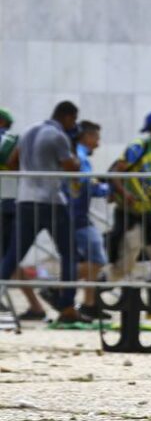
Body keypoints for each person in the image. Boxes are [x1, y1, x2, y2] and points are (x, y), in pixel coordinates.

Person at [0, 101, 82, 324]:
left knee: (12, 255)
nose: (73, 124)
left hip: (26, 199)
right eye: (73, 120)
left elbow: (11, 160)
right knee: (69, 254)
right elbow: (71, 167)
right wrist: (74, 154)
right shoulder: (58, 136)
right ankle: (67, 306)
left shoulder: (28, 131)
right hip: (52, 201)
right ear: (67, 117)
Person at [108, 120, 151, 316]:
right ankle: (100, 287)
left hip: (149, 216)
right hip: (130, 214)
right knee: (126, 261)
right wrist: (124, 194)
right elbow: (115, 172)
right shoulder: (138, 147)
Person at [0, 109, 49, 321]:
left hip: (7, 204)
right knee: (8, 259)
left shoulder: (8, 139)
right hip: (9, 203)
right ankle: (35, 306)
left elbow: (7, 157)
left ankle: (35, 306)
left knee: (7, 258)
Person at [66, 121, 110, 320]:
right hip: (77, 216)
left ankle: (89, 304)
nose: (98, 144)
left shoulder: (77, 153)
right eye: (96, 138)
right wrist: (109, 189)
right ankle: (57, 285)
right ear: (86, 136)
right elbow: (86, 184)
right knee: (98, 260)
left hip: (75, 214)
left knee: (88, 260)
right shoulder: (80, 155)